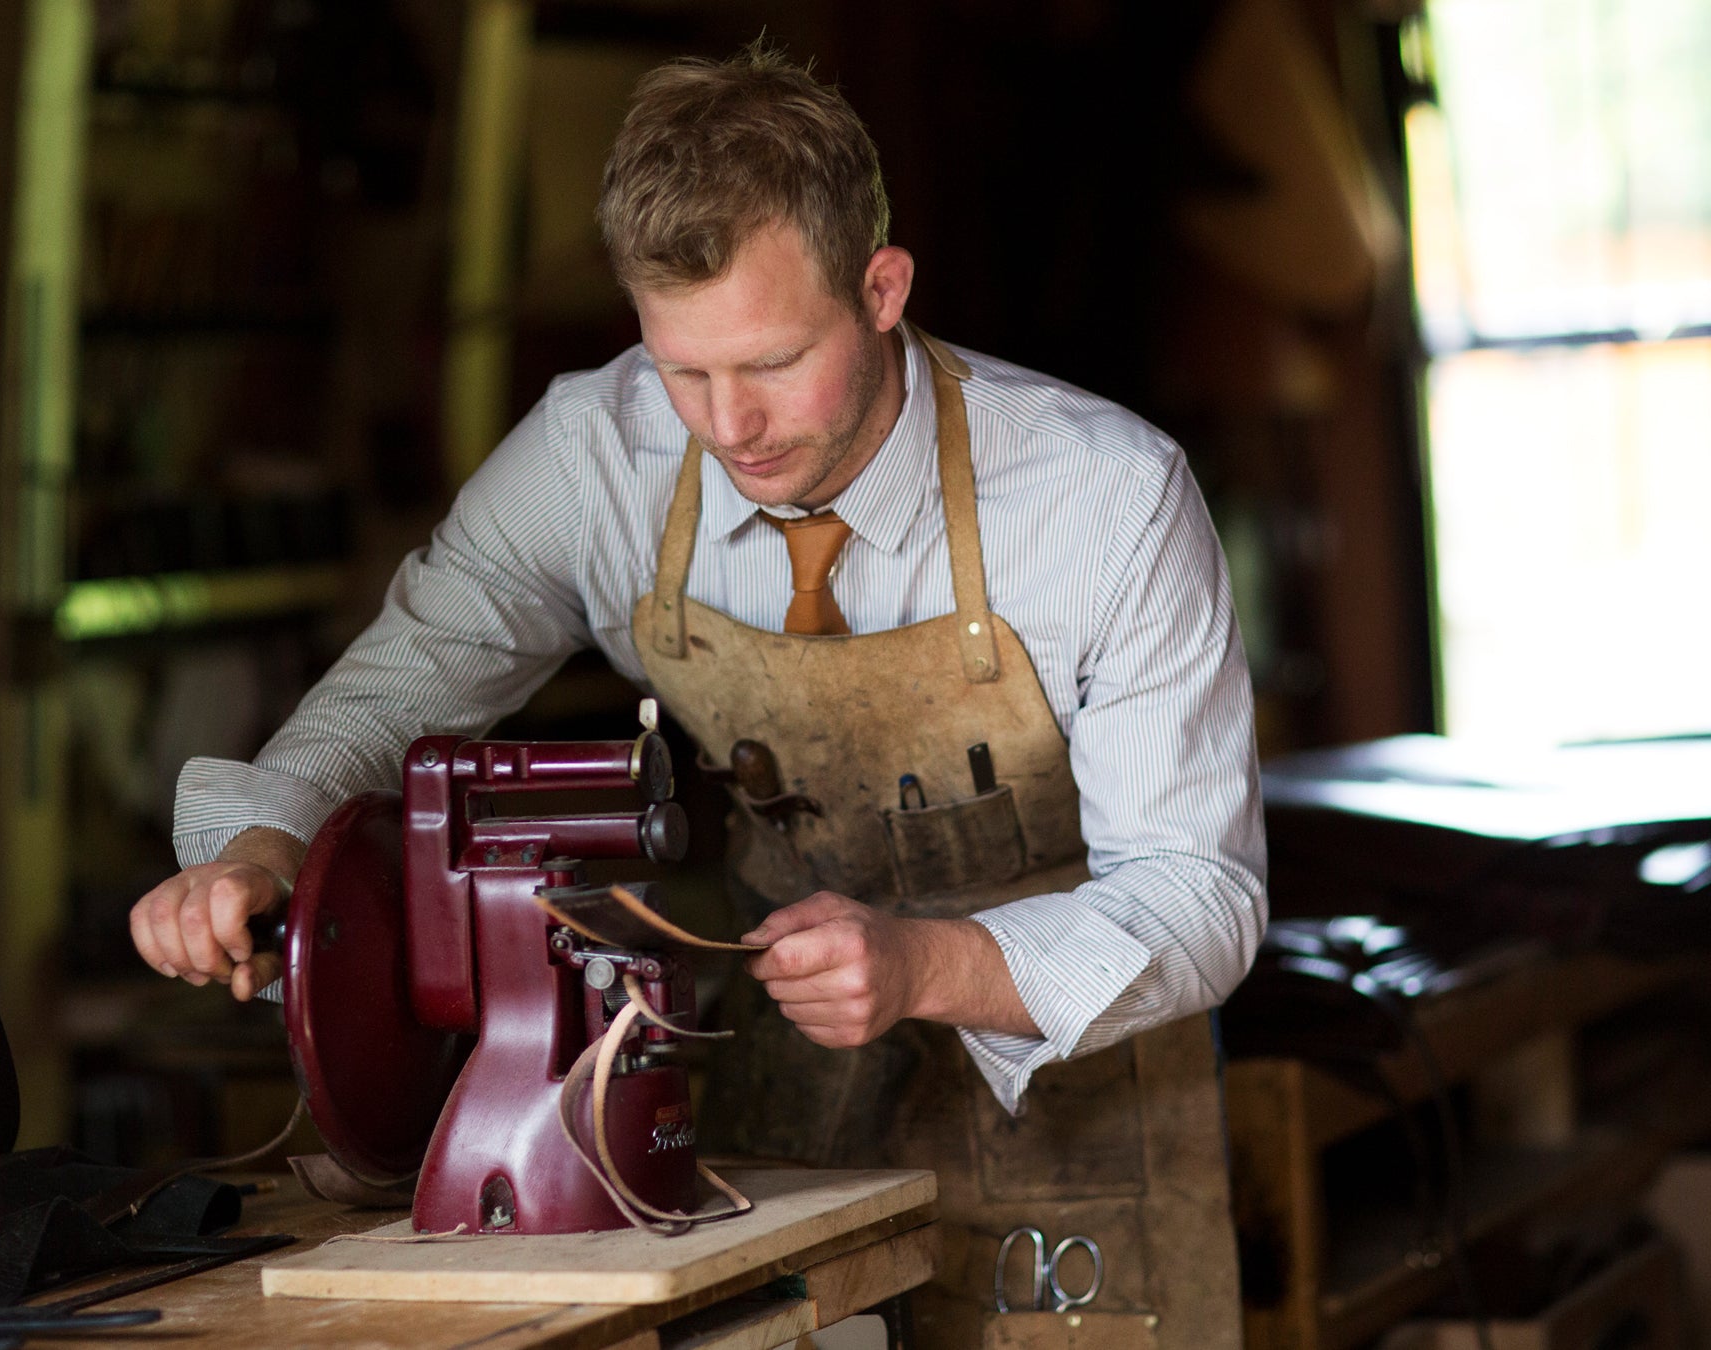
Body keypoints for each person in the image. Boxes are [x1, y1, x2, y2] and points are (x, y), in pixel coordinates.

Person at [130, 49, 1264, 1332]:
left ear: (881, 289)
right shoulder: (590, 456)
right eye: (682, 369)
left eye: (775, 361)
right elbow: (386, 697)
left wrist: (924, 964)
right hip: (778, 1125)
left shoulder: (1104, 499)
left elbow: (1201, 895)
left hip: (1089, 1118)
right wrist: (264, 849)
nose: (730, 426)